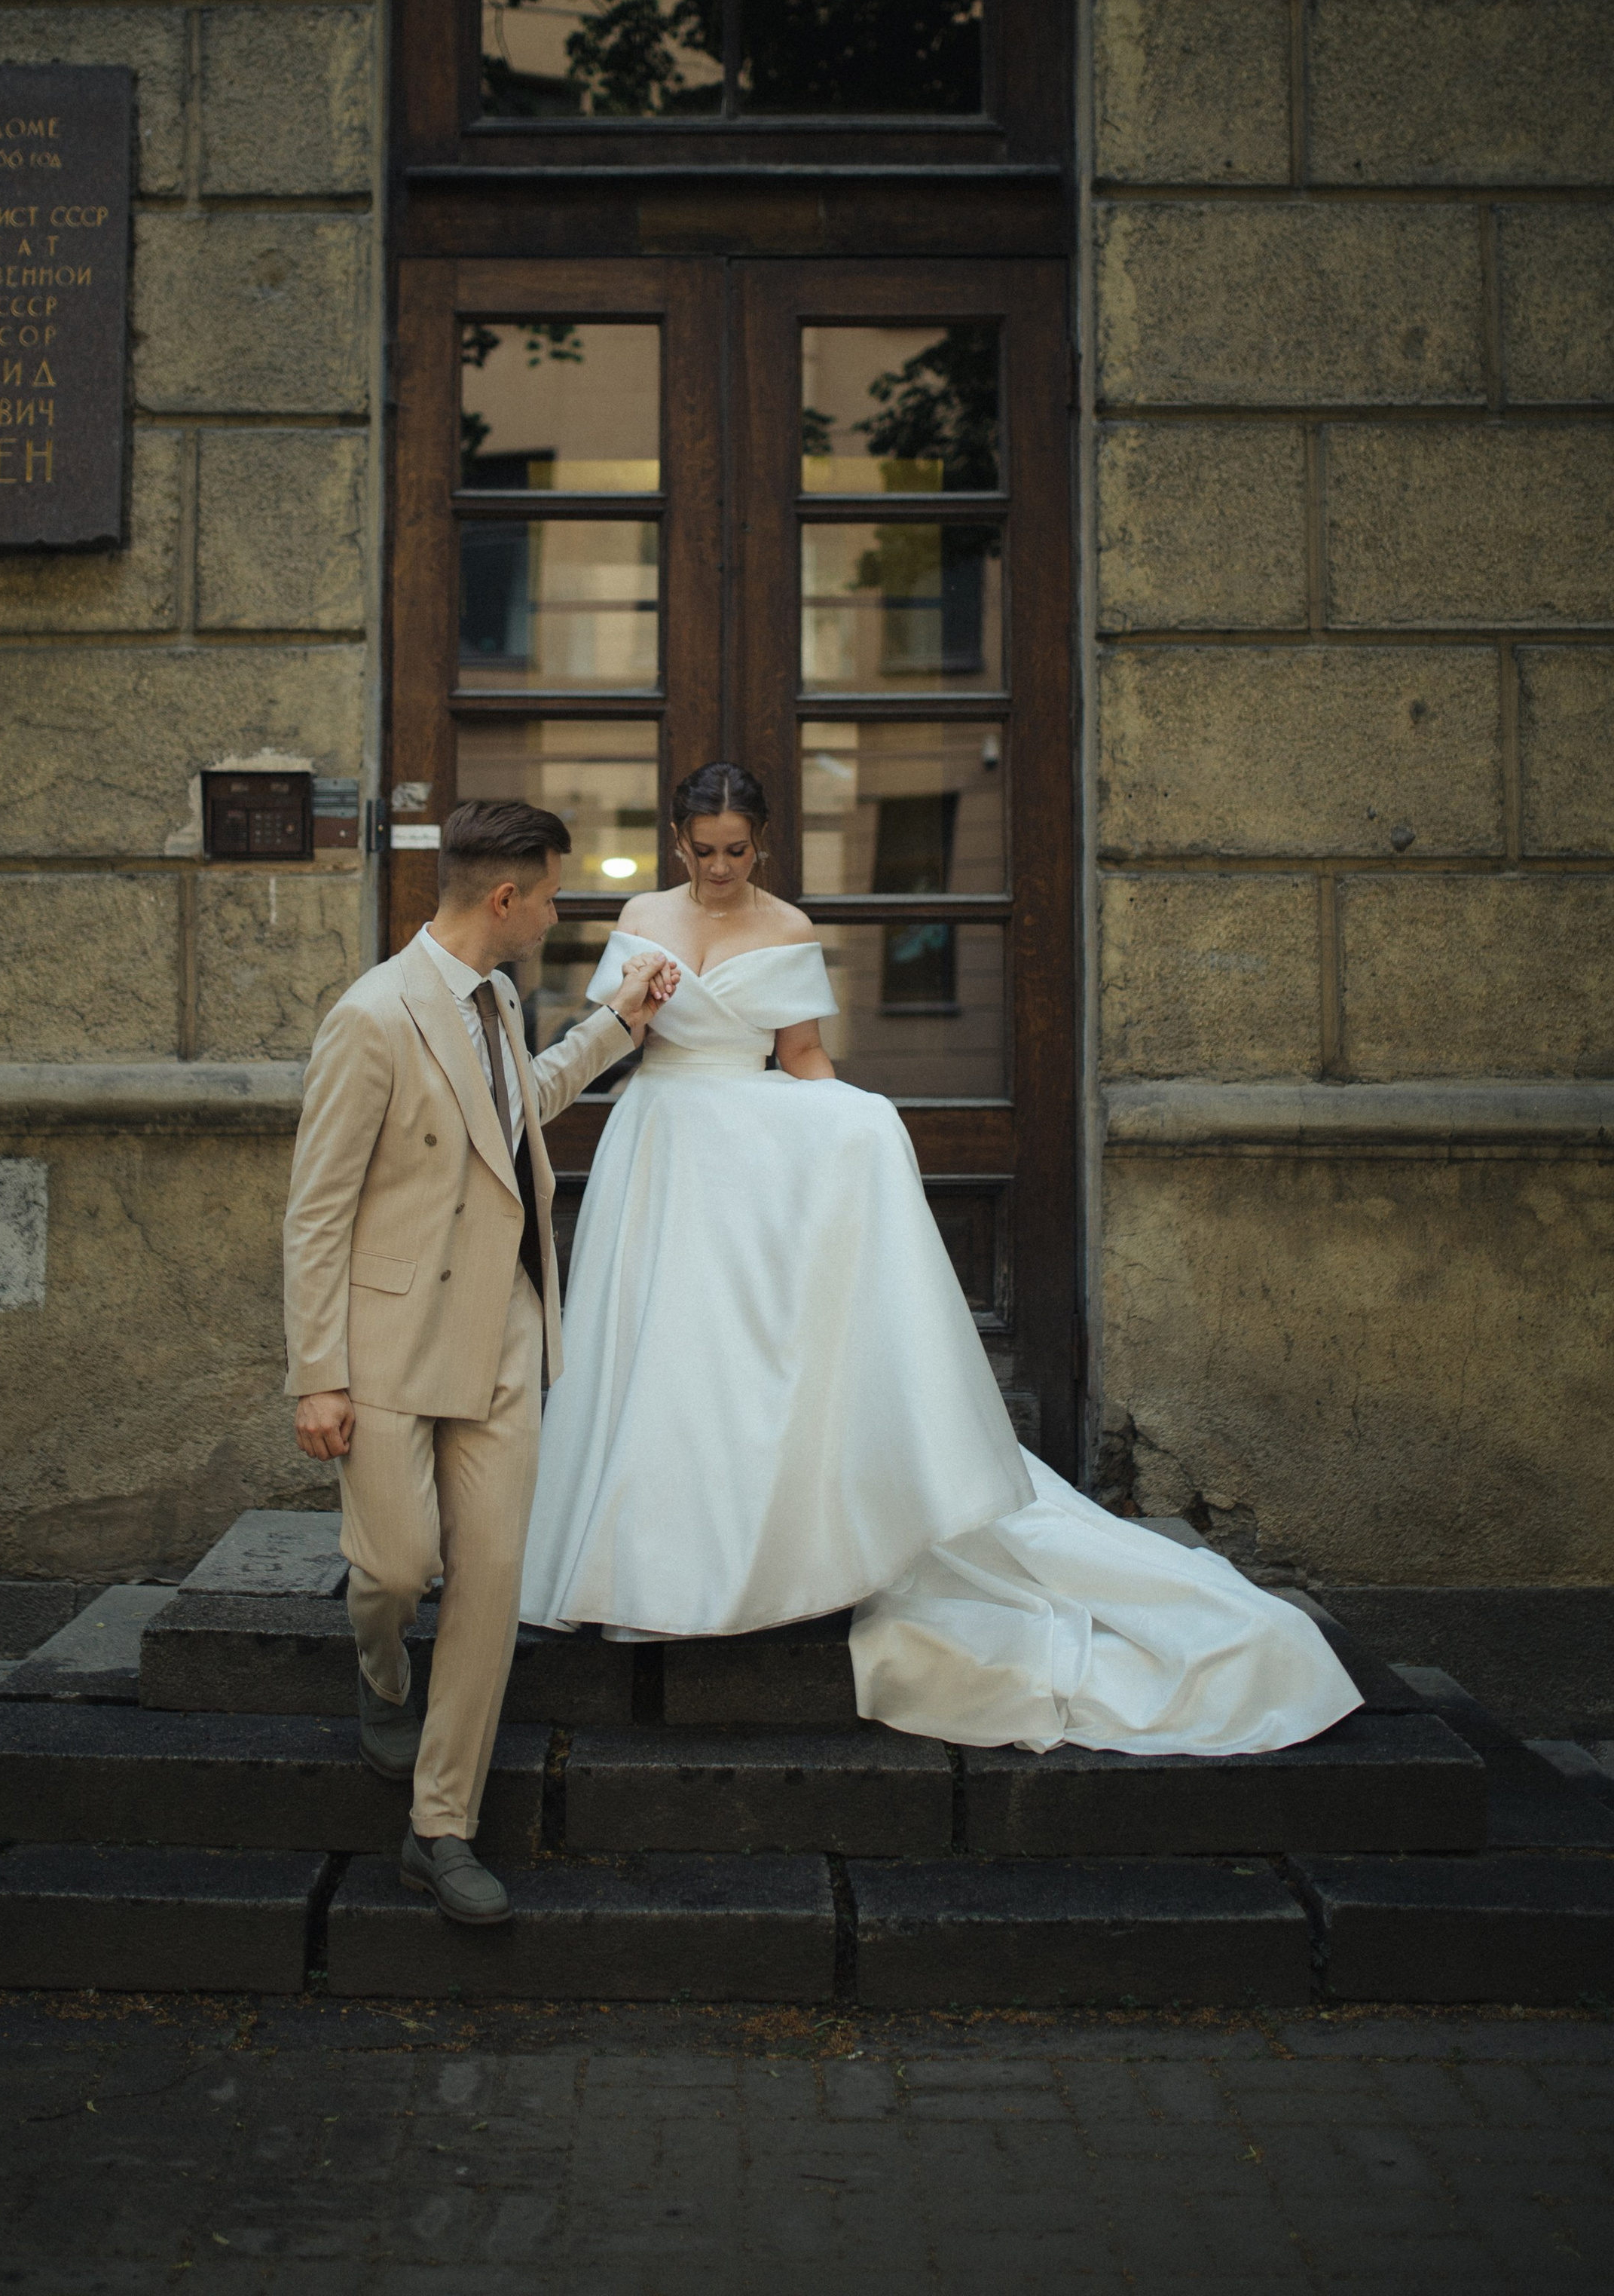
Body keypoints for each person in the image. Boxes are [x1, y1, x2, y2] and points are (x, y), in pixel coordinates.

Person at [520, 763, 1360, 1756]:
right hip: (659, 1146)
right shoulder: (641, 910)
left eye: (735, 851)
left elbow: (802, 1060)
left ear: (764, 845)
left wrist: (855, 1126)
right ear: (676, 842)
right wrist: (634, 1005)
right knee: (651, 1356)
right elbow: (613, 1047)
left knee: (738, 1364)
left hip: (752, 1162)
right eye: (701, 852)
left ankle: (760, 1562)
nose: (716, 869)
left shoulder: (786, 927)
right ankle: (635, 1566)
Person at [285, 797, 676, 1925]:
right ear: (505, 899)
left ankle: (439, 1825)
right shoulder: (371, 1018)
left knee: (491, 1583)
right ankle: (380, 1674)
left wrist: (616, 1024)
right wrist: (320, 1372)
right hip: (389, 1347)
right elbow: (315, 1215)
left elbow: (521, 1113)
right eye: (552, 895)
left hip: (506, 1336)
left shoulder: (499, 999)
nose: (558, 915)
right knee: (399, 1571)